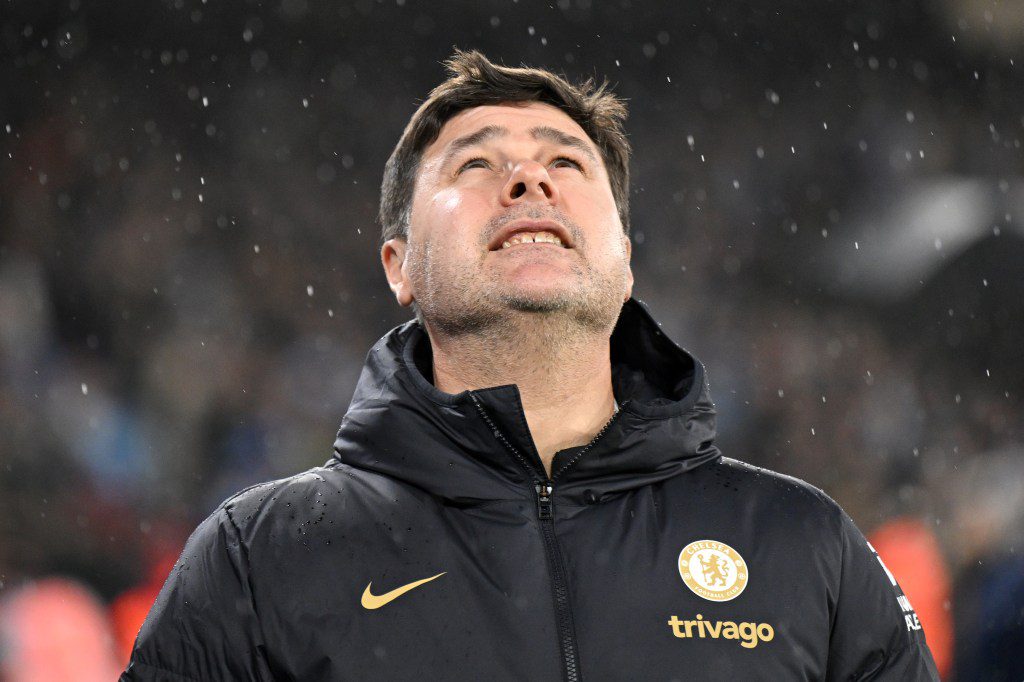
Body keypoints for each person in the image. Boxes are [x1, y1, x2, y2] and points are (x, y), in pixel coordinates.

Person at [122, 50, 939, 681]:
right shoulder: (257, 559)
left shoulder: (805, 545)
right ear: (398, 264)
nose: (528, 178)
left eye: (568, 163)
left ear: (624, 259)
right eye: (476, 164)